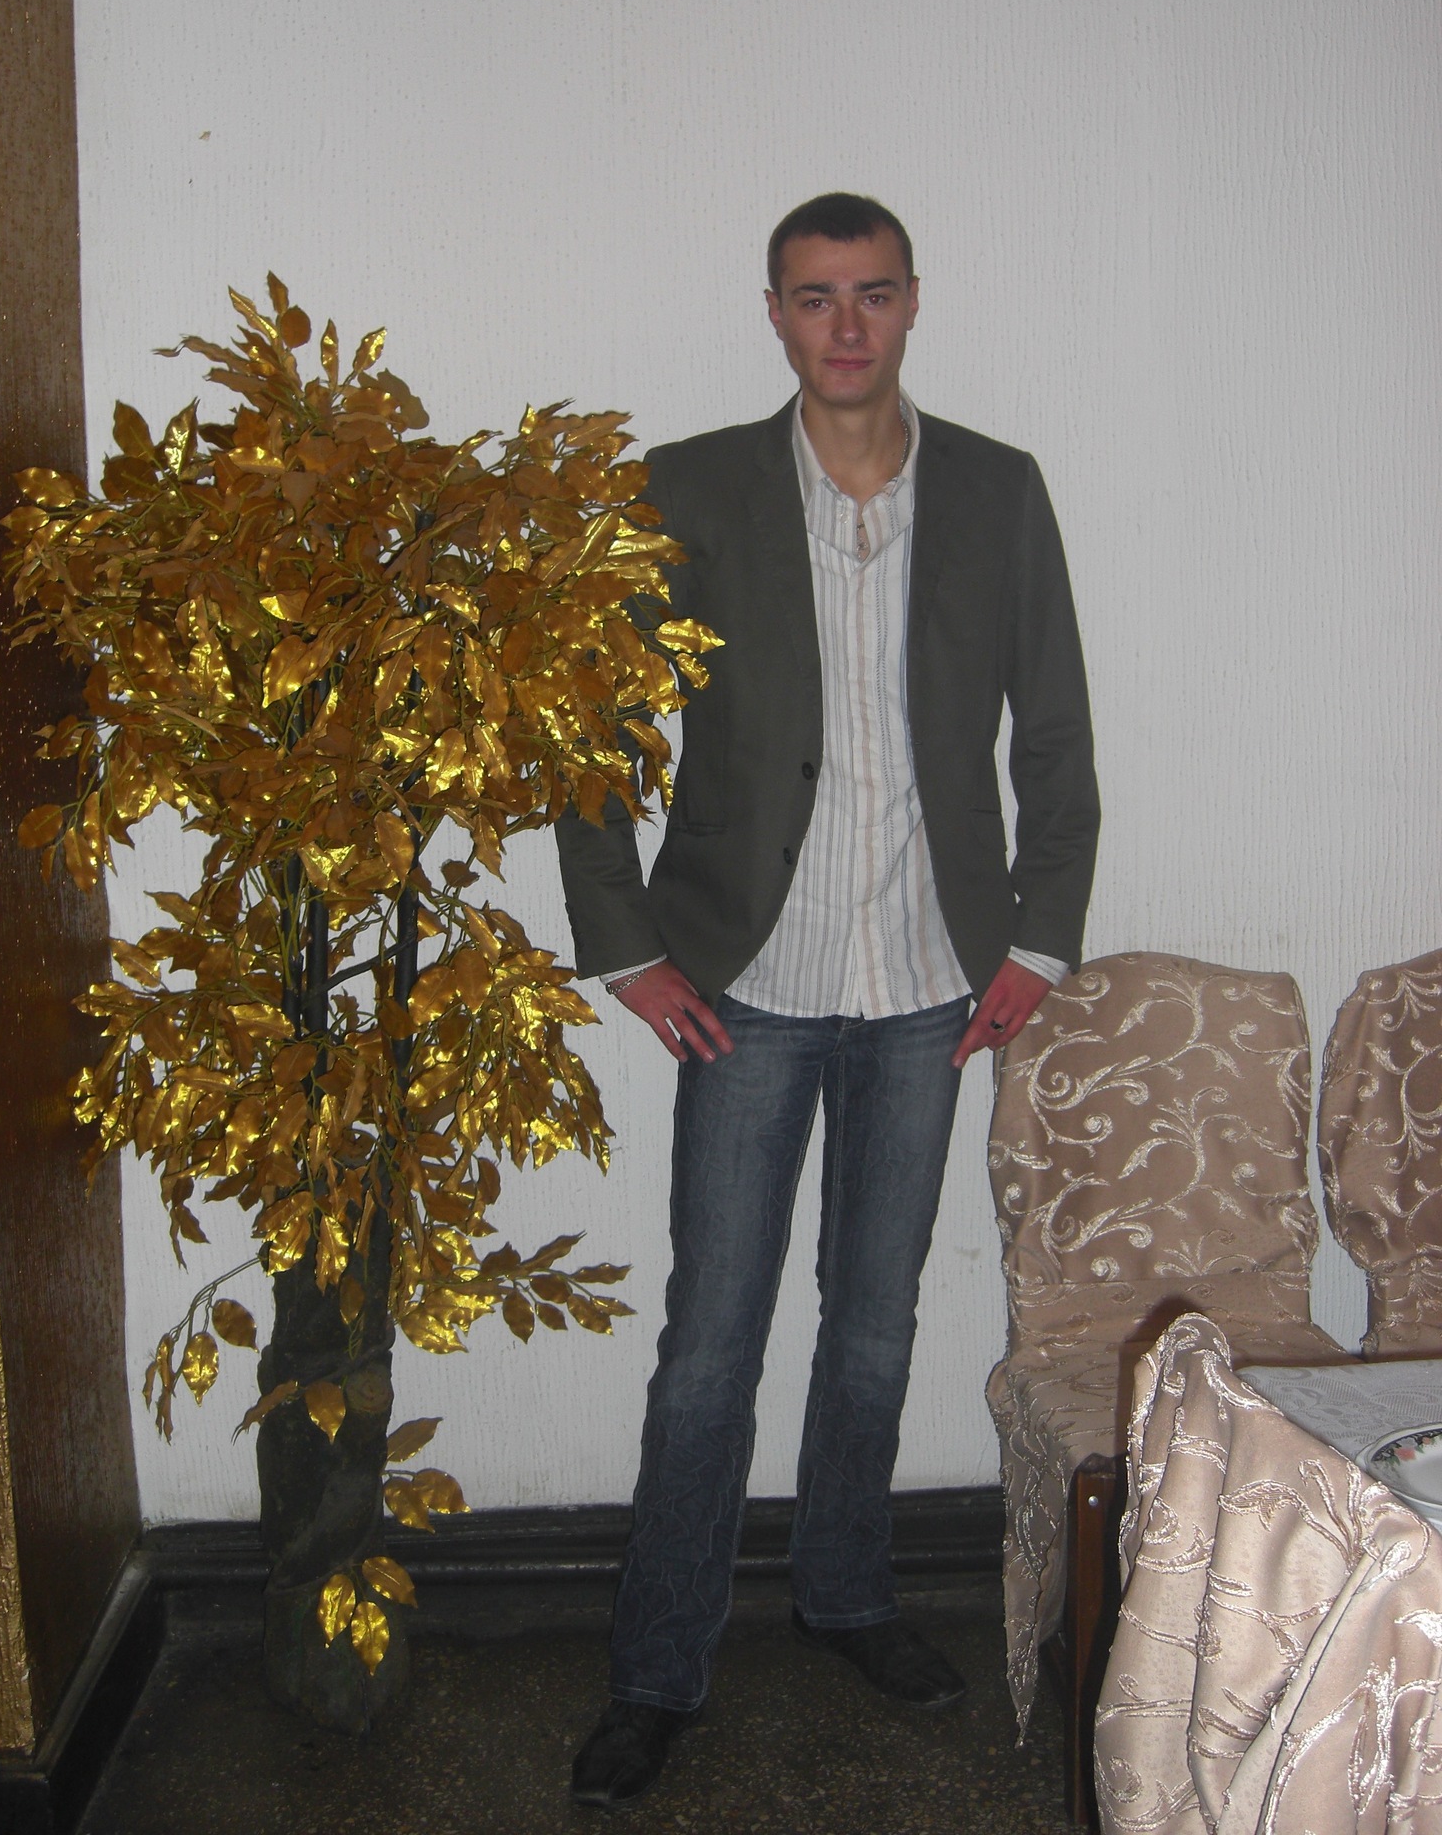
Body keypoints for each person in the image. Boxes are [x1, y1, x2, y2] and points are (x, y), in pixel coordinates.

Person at [553, 192, 1100, 1809]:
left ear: (913, 302)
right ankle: (658, 1668)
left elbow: (1054, 737)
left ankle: (849, 1593)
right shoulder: (687, 489)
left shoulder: (996, 490)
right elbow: (595, 724)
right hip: (750, 983)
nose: (846, 325)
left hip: (932, 981)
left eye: (872, 294)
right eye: (814, 296)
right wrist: (625, 944)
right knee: (709, 1346)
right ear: (776, 313)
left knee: (874, 1327)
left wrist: (1037, 942)